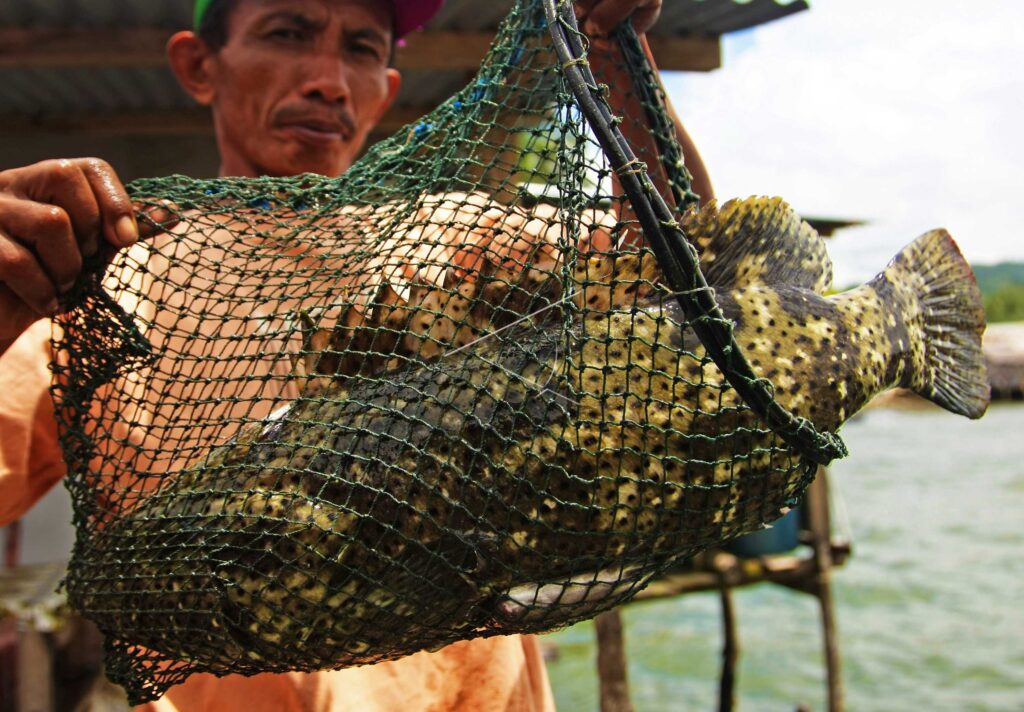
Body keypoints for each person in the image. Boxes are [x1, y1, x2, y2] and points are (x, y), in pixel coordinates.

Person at [0, 1, 711, 710]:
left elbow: (685, 277)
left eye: (362, 49)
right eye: (288, 33)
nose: (329, 81)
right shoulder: (106, 286)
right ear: (198, 66)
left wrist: (614, 52)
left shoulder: (460, 237)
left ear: (387, 89)